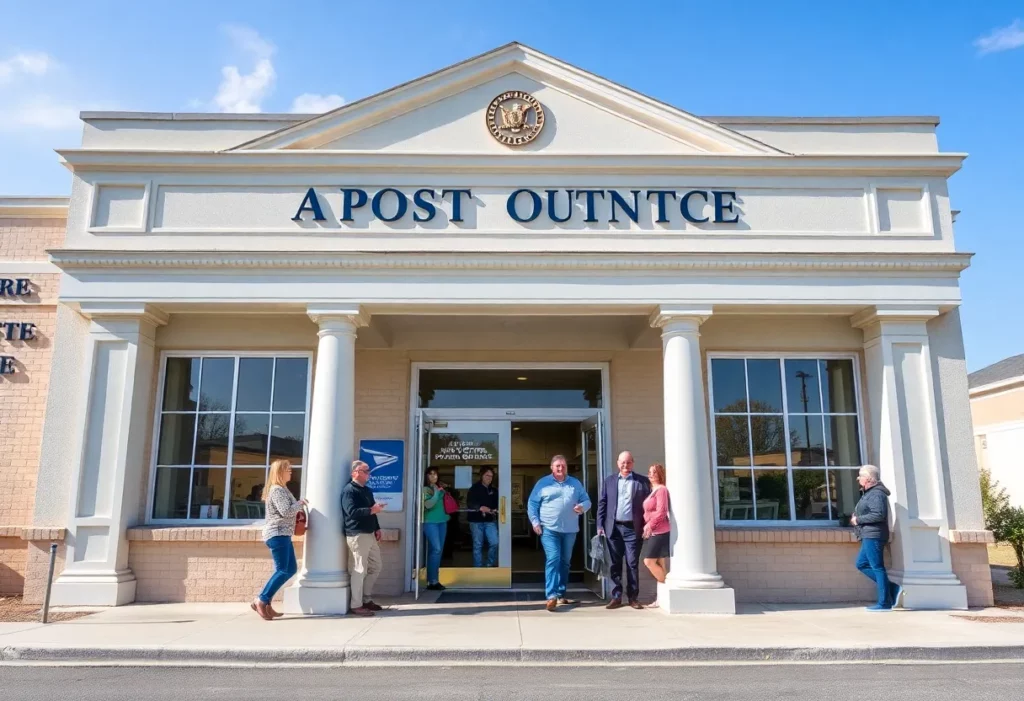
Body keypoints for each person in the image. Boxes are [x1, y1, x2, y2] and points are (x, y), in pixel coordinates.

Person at [527, 454, 591, 612]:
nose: (560, 468)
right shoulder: (543, 483)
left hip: (570, 530)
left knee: (565, 562)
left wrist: (582, 507)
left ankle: (561, 593)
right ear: (552, 468)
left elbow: (587, 500)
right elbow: (532, 503)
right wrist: (535, 522)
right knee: (553, 558)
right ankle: (551, 596)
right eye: (557, 466)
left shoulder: (575, 483)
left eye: (563, 465)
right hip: (549, 529)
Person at [596, 450, 651, 610]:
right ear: (618, 463)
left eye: (628, 462)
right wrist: (600, 525)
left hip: (633, 529)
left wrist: (649, 523)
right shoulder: (609, 481)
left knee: (632, 563)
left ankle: (633, 598)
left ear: (632, 463)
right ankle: (616, 596)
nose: (625, 465)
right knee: (615, 563)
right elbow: (602, 504)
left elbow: (648, 506)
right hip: (614, 528)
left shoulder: (642, 482)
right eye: (622, 462)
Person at [252, 459, 306, 620]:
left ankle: (265, 602)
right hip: (277, 533)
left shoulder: (282, 489)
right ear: (280, 472)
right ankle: (261, 600)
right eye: (288, 470)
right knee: (283, 570)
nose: (291, 472)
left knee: (289, 569)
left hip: (283, 534)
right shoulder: (277, 490)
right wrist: (300, 504)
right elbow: (286, 512)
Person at [851, 464, 903, 611]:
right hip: (868, 534)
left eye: (860, 476)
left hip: (873, 535)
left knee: (877, 567)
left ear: (868, 479)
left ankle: (884, 603)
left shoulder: (876, 494)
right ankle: (892, 588)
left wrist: (858, 520)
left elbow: (878, 514)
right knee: (861, 564)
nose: (858, 478)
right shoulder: (870, 493)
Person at [341, 459, 385, 616]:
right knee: (359, 569)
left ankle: (366, 599)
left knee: (376, 566)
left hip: (370, 533)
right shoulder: (349, 491)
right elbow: (351, 512)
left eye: (368, 470)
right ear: (355, 473)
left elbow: (373, 509)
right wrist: (370, 511)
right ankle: (356, 604)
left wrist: (377, 527)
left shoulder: (367, 490)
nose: (369, 473)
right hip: (357, 534)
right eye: (366, 470)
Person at [641, 463, 671, 590]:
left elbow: (662, 511)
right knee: (661, 563)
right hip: (653, 532)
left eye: (654, 472)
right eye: (650, 472)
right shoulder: (653, 490)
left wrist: (650, 525)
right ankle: (662, 596)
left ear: (660, 474)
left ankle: (667, 588)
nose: (651, 474)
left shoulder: (661, 490)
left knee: (649, 562)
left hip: (659, 532)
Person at [422, 466, 450, 591]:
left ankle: (434, 580)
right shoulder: (426, 489)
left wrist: (442, 490)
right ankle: (432, 581)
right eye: (431, 474)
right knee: (436, 549)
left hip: (442, 522)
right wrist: (437, 492)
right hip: (430, 522)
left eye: (435, 474)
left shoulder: (440, 488)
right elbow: (428, 504)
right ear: (426, 476)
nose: (433, 476)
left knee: (437, 551)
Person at [467, 467, 499, 568]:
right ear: (481, 476)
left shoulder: (494, 490)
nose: (489, 478)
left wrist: (495, 509)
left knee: (495, 542)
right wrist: (480, 507)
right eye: (487, 475)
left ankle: (489, 564)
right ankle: (478, 568)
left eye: (491, 476)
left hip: (490, 520)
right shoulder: (474, 488)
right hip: (476, 521)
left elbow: (498, 504)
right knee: (478, 546)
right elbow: (470, 503)